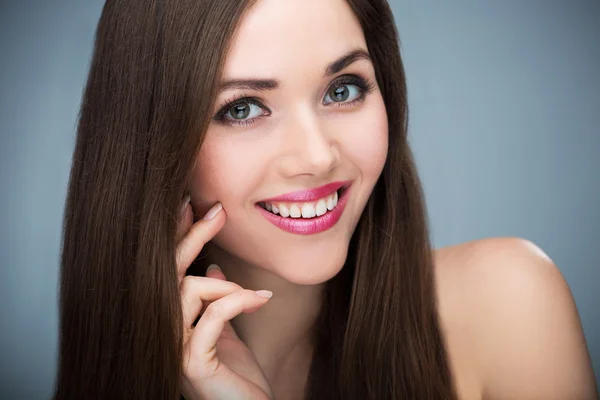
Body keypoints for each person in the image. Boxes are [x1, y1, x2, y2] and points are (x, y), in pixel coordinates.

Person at [52, 0, 598, 399]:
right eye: (242, 108)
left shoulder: (507, 303)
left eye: (343, 90)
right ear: (153, 145)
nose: (316, 156)